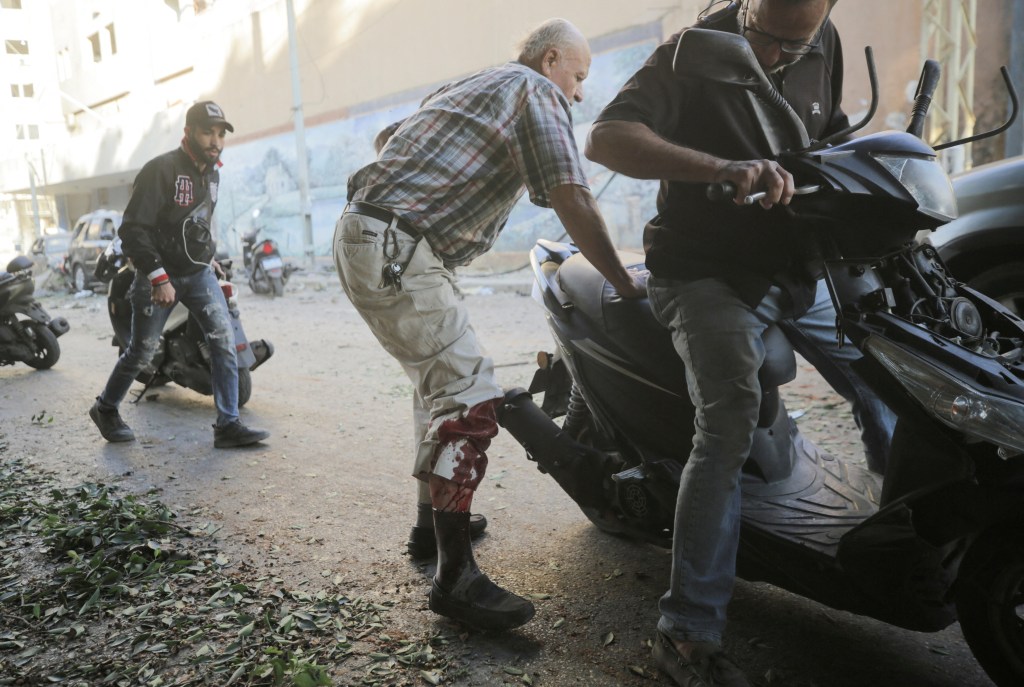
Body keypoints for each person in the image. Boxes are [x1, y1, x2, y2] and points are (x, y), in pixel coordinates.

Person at [585, 1, 895, 685]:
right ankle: (686, 631)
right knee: (725, 424)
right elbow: (605, 138)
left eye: (799, 43)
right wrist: (721, 167)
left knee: (888, 369)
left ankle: (911, 540)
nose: (783, 56)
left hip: (797, 266)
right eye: (769, 40)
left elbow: (826, 129)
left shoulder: (824, 39)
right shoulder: (688, 52)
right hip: (704, 272)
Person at [335, 18, 646, 631]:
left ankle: (430, 528)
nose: (578, 93)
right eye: (578, 76)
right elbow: (569, 193)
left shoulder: (472, 85)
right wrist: (619, 279)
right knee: (470, 398)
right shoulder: (536, 90)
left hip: (369, 236)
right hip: (401, 248)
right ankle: (457, 578)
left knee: (439, 390)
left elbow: (388, 137)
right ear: (551, 59)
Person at [89, 101, 270, 450]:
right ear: (188, 132)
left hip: (198, 273)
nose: (215, 140)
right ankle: (105, 408)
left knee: (223, 342)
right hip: (159, 274)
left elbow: (197, 224)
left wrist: (210, 257)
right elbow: (133, 229)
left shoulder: (212, 173)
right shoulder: (161, 170)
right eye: (207, 132)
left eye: (220, 134)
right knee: (141, 351)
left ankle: (228, 425)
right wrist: (157, 276)